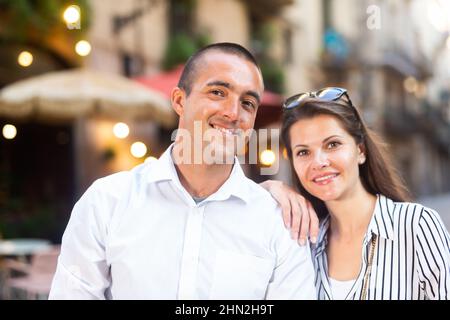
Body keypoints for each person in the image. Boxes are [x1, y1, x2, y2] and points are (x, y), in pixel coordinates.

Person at [49, 43, 316, 299]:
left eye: (247, 103)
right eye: (218, 93)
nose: (233, 113)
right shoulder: (106, 202)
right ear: (179, 100)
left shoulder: (280, 222)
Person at [263, 87, 450, 300]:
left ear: (360, 151)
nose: (319, 162)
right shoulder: (303, 242)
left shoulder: (415, 225)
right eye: (303, 152)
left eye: (332, 144)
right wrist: (267, 189)